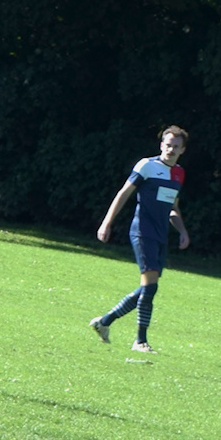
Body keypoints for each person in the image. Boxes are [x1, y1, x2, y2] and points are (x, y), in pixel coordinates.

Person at [88, 126, 191, 353]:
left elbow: (173, 207)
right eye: (168, 145)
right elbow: (123, 193)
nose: (171, 149)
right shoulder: (147, 166)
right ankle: (140, 341)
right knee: (150, 287)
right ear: (161, 145)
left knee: (148, 288)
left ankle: (104, 322)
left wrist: (182, 230)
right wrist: (107, 223)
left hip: (161, 235)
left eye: (176, 146)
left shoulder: (179, 174)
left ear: (182, 150)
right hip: (143, 232)